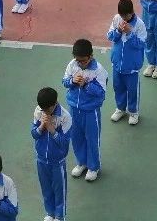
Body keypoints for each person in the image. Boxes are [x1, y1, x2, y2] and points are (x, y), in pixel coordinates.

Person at [63, 37, 108, 182]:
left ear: (91, 56)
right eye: (78, 60)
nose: (80, 63)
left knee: (92, 139)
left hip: (91, 111)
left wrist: (86, 85)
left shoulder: (98, 70)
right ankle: (82, 162)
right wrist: (72, 81)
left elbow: (101, 92)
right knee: (76, 137)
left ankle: (93, 167)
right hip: (74, 108)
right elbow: (64, 82)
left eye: (83, 60)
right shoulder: (72, 65)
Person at [32, 86, 72, 221]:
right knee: (46, 189)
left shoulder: (65, 117)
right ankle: (50, 213)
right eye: (42, 109)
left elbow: (65, 144)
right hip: (41, 159)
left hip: (57, 162)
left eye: (47, 109)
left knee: (59, 191)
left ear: (54, 104)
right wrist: (41, 127)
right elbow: (34, 134)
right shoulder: (39, 111)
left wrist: (52, 130)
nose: (44, 112)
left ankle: (60, 217)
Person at [106, 0, 146, 126]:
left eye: (126, 15)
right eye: (122, 15)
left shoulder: (139, 24)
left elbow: (140, 44)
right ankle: (120, 109)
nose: (124, 18)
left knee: (133, 90)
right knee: (118, 88)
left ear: (132, 11)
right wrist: (118, 30)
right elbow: (110, 36)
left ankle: (133, 112)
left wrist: (129, 33)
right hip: (117, 64)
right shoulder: (117, 19)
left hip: (132, 67)